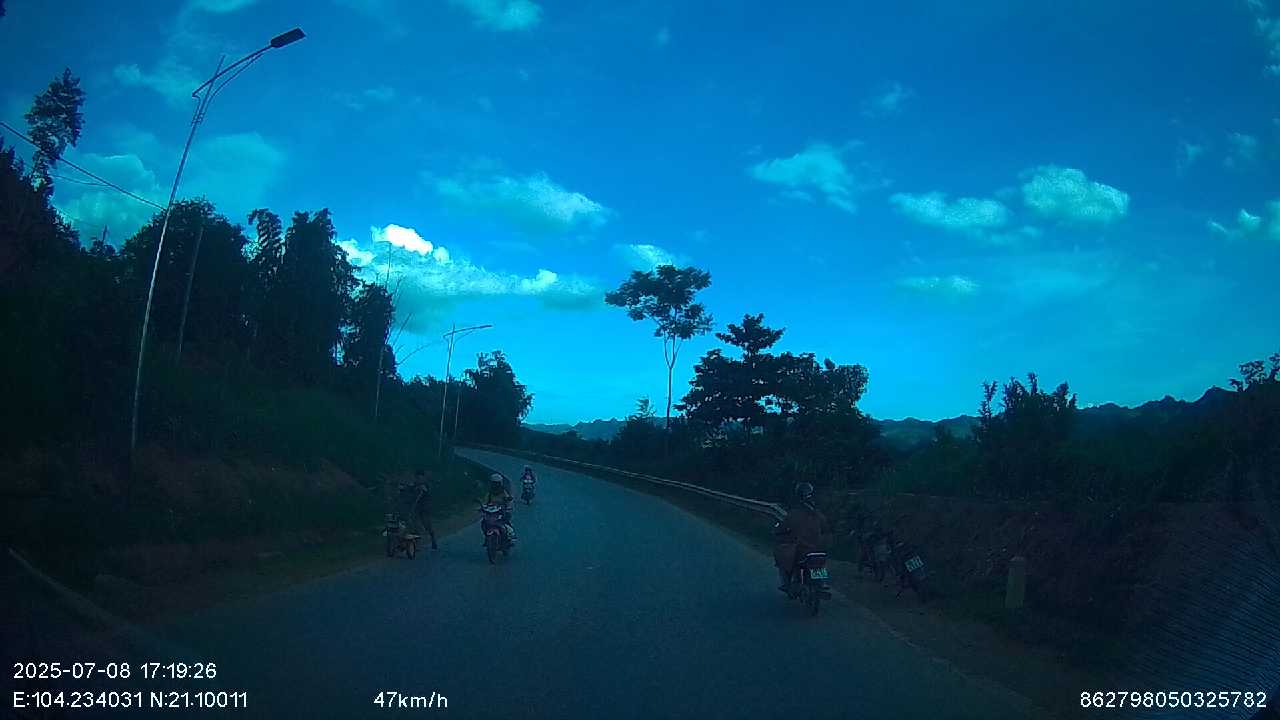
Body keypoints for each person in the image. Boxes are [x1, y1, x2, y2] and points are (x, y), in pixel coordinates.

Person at [773, 482, 831, 593]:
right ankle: (821, 581)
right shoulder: (818, 515)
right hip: (817, 549)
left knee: (783, 559)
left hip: (800, 549)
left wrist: (779, 532)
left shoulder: (793, 514)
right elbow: (826, 530)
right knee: (819, 562)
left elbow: (782, 529)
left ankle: (786, 583)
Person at [411, 469, 438, 550]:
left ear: (423, 477)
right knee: (414, 525)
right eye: (417, 477)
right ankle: (416, 544)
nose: (419, 479)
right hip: (415, 507)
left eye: (420, 477)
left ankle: (433, 539)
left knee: (427, 524)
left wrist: (422, 489)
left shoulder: (426, 485)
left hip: (424, 508)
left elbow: (427, 493)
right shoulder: (414, 485)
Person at [485, 473, 515, 542]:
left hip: (502, 510)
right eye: (494, 483)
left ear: (500, 483)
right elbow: (485, 502)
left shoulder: (503, 492)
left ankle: (509, 535)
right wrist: (483, 507)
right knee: (484, 522)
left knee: (506, 522)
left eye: (497, 483)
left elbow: (508, 500)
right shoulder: (490, 492)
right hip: (492, 511)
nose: (495, 485)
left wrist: (508, 507)